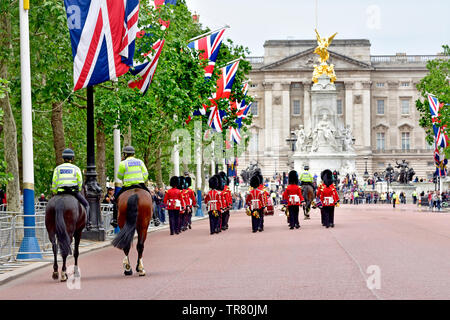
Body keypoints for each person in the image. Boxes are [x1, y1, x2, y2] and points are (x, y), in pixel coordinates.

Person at [110, 146, 150, 228]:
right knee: (150, 198)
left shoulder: (123, 163)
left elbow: (119, 176)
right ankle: (155, 217)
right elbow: (146, 175)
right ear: (133, 153)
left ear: (125, 154)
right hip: (140, 185)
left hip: (127, 186)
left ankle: (114, 219)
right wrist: (142, 179)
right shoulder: (140, 162)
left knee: (115, 201)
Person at [51, 148, 90, 229]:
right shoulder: (76, 168)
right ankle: (88, 224)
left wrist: (55, 191)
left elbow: (54, 182)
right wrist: (78, 190)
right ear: (72, 158)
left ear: (63, 158)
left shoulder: (57, 168)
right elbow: (80, 182)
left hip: (60, 192)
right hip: (73, 192)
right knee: (86, 205)